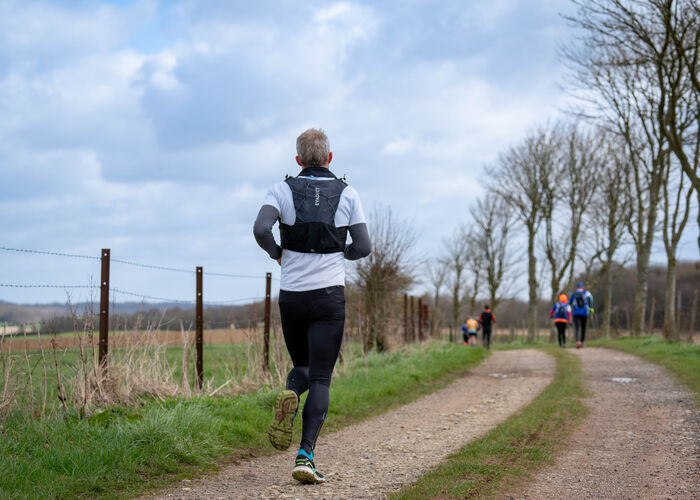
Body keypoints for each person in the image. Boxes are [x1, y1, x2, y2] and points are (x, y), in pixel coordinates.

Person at [253, 128, 371, 484]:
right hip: (328, 297)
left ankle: (291, 392)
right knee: (320, 376)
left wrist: (278, 254)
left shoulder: (281, 189)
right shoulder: (348, 192)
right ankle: (306, 455)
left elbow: (260, 229)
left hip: (292, 295)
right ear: (330, 158)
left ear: (298, 160)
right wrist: (342, 253)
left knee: (302, 366)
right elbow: (363, 246)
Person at [569, 282, 594, 348]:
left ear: (577, 287)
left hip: (576, 313)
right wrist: (590, 307)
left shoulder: (574, 294)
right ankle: (582, 342)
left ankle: (578, 341)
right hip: (584, 312)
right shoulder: (586, 293)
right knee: (583, 328)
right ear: (582, 287)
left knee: (577, 328)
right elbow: (591, 299)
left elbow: (569, 302)